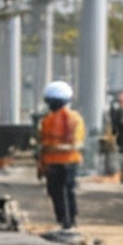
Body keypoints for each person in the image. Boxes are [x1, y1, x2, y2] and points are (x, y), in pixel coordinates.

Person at [35, 81, 83, 230]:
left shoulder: (46, 120)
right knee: (67, 191)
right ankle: (70, 221)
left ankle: (65, 221)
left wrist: (42, 164)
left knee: (58, 193)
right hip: (70, 162)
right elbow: (77, 142)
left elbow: (42, 144)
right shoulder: (75, 118)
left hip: (54, 163)